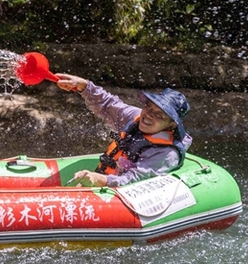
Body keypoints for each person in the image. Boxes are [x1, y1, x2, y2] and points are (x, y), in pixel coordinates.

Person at [54, 74, 192, 187]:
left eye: (159, 115)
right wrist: (83, 85)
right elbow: (108, 104)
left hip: (122, 193)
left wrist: (99, 180)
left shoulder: (167, 153)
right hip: (106, 178)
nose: (149, 114)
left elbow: (136, 180)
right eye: (149, 107)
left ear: (171, 125)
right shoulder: (135, 117)